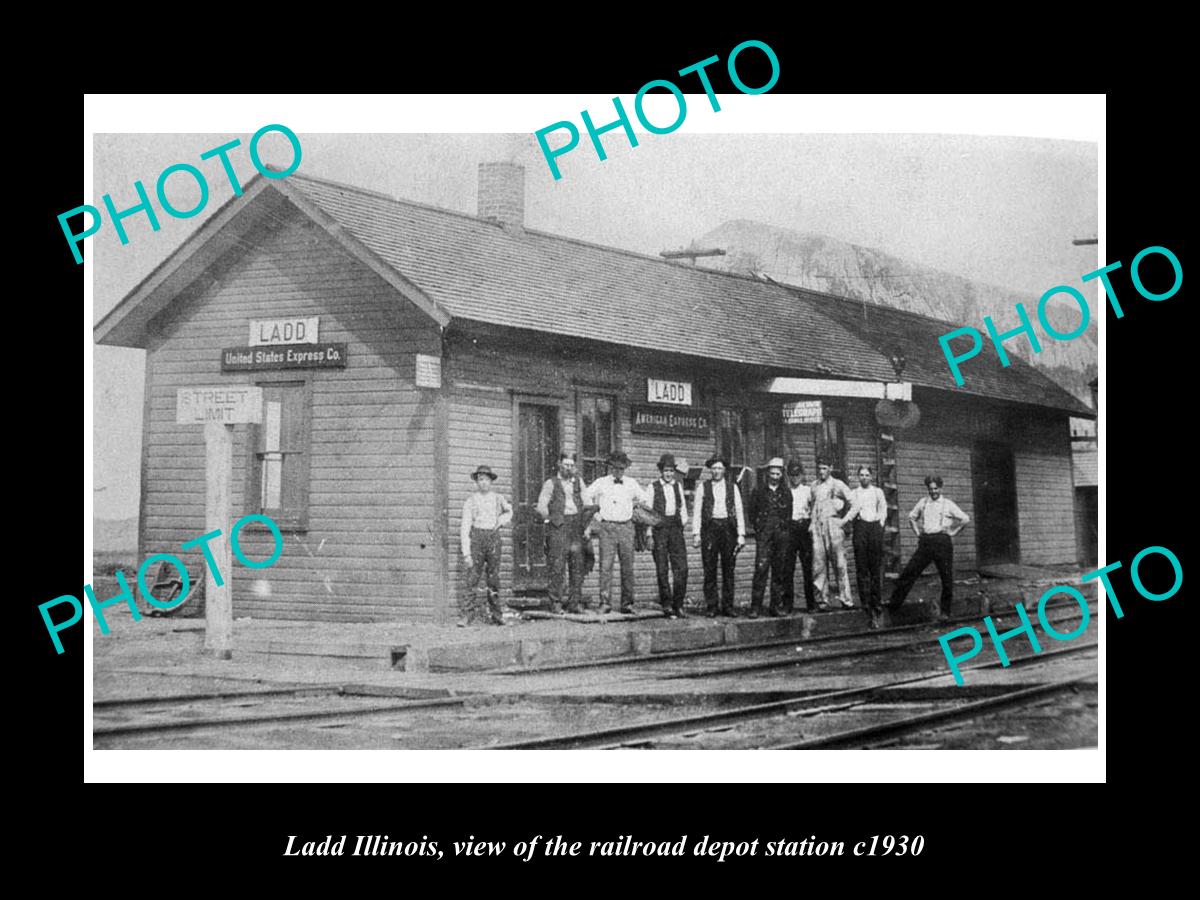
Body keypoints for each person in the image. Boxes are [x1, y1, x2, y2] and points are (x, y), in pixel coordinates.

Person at [888, 474, 969, 623]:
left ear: (940, 487)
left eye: (936, 488)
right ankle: (893, 607)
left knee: (946, 578)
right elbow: (912, 517)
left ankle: (945, 612)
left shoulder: (948, 504)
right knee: (909, 573)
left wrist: (953, 532)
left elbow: (965, 518)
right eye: (930, 489)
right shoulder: (923, 502)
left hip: (942, 542)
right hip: (926, 542)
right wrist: (918, 533)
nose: (933, 492)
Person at [582, 450, 645, 614]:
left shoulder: (631, 483)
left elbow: (645, 499)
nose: (618, 471)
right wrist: (597, 514)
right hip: (607, 528)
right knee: (606, 566)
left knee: (627, 566)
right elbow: (585, 496)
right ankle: (605, 603)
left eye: (621, 468)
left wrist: (634, 510)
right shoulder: (601, 482)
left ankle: (627, 603)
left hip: (626, 527)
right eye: (615, 468)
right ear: (610, 467)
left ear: (625, 468)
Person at [459, 464, 513, 626]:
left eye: (486, 480)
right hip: (477, 538)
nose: (483, 483)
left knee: (493, 578)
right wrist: (466, 553)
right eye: (480, 479)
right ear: (476, 482)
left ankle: (496, 614)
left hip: (493, 538)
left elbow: (510, 511)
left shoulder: (498, 498)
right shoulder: (471, 501)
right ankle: (467, 615)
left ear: (491, 481)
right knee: (472, 578)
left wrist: (500, 522)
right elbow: (465, 526)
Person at [692, 456, 746, 617]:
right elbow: (697, 512)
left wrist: (741, 534)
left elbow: (739, 510)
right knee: (710, 569)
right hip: (710, 530)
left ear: (724, 470)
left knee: (729, 569)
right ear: (710, 470)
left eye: (719, 468)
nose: (716, 471)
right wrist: (696, 533)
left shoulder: (732, 487)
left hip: (728, 530)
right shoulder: (704, 487)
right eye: (714, 468)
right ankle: (712, 606)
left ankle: (728, 606)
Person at [536, 452, 588, 614]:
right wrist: (551, 520)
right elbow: (541, 506)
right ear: (559, 464)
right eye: (566, 465)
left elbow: (587, 504)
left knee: (577, 566)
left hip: (576, 526)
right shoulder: (551, 483)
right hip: (559, 526)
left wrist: (586, 526)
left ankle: (574, 603)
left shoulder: (579, 482)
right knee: (557, 566)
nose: (569, 468)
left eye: (572, 465)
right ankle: (556, 603)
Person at [840, 465, 889, 628]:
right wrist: (846, 522)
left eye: (867, 475)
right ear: (858, 477)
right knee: (862, 568)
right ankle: (865, 603)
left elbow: (883, 509)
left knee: (875, 568)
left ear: (872, 476)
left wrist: (880, 525)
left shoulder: (878, 492)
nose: (864, 477)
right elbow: (852, 511)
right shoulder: (854, 493)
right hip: (860, 528)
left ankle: (876, 602)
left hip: (874, 528)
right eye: (861, 475)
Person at [748, 457, 793, 618]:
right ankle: (755, 607)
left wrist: (783, 530)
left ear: (782, 475)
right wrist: (760, 529)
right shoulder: (759, 491)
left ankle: (775, 606)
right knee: (761, 569)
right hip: (764, 535)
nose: (775, 476)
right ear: (768, 474)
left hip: (781, 535)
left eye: (778, 474)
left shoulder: (786, 492)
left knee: (779, 571)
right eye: (772, 473)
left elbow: (789, 514)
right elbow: (751, 513)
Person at [648, 453, 689, 618]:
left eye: (671, 471)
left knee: (682, 568)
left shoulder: (677, 486)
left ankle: (678, 604)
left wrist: (682, 522)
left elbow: (683, 507)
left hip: (676, 529)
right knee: (662, 568)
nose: (668, 474)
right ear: (661, 471)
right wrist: (649, 533)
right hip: (659, 530)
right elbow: (649, 513)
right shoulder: (653, 487)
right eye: (666, 471)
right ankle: (667, 604)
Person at [811, 458, 855, 610]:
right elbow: (813, 507)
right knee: (819, 564)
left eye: (824, 468)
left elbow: (854, 503)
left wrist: (844, 520)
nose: (821, 471)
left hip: (834, 525)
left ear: (830, 467)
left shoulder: (838, 484)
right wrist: (811, 524)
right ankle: (823, 601)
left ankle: (846, 599)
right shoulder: (814, 486)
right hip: (818, 526)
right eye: (819, 468)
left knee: (840, 564)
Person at [781, 460, 815, 614]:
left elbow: (814, 509)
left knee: (808, 567)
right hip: (790, 529)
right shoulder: (785, 491)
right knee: (788, 568)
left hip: (804, 528)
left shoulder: (808, 491)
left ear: (802, 475)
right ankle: (788, 603)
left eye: (798, 474)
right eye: (792, 475)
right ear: (788, 476)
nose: (795, 478)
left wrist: (811, 525)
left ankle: (811, 603)